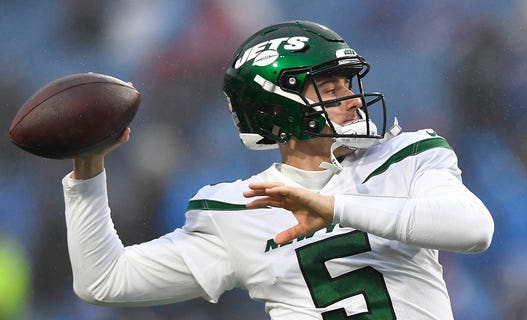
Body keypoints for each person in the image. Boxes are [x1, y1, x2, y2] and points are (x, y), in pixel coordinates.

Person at [63, 20, 494, 319]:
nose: (354, 100)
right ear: (276, 108)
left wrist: (333, 208)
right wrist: (87, 172)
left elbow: (474, 230)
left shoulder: (409, 155)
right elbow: (104, 281)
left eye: (349, 84)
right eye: (330, 88)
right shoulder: (240, 209)